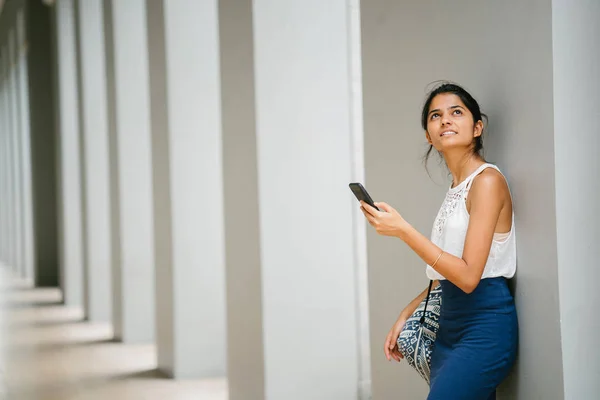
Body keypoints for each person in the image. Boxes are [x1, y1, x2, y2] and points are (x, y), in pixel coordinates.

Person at [359, 82, 518, 400]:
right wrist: (408, 311)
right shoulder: (456, 188)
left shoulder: (487, 182)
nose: (445, 119)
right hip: (448, 327)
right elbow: (450, 270)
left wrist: (404, 230)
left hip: (484, 327)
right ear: (428, 136)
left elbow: (470, 276)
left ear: (477, 127)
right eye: (436, 115)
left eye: (456, 112)